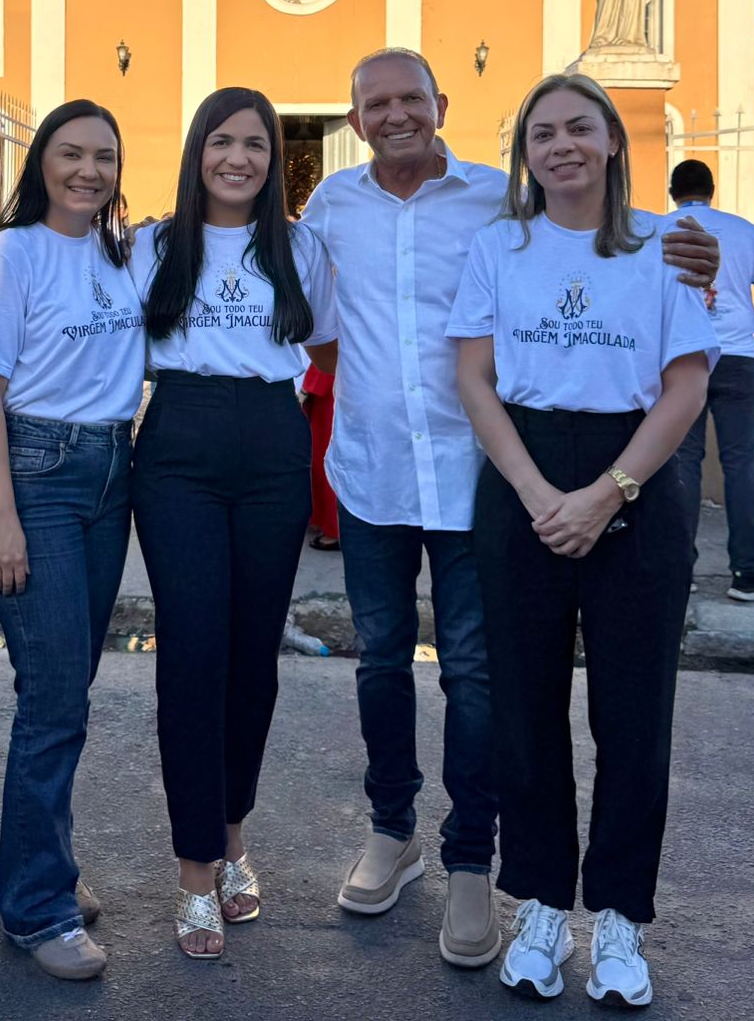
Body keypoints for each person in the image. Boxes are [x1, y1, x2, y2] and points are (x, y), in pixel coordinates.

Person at [298, 48, 718, 972]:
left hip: (478, 475)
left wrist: (700, 248)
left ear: (442, 104)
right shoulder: (331, 207)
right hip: (381, 472)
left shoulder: (498, 203)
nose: (397, 113)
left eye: (413, 97)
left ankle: (478, 865)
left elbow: (650, 314)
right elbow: (314, 322)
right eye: (377, 103)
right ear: (356, 116)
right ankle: (396, 832)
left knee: (490, 681)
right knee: (382, 662)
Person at [449, 73, 716, 1007]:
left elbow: (684, 386)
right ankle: (539, 907)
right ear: (526, 153)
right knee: (522, 708)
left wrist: (608, 493)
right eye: (542, 133)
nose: (560, 145)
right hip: (524, 468)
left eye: (578, 129)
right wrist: (535, 493)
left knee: (634, 715)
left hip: (634, 472)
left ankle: (619, 922)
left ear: (611, 142)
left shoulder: (666, 249)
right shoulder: (498, 246)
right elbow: (475, 380)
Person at [130, 87, 336, 959]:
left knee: (254, 654)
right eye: (222, 142)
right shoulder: (152, 245)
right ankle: (193, 871)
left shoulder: (302, 248)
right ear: (197, 151)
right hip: (177, 442)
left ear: (273, 156)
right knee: (193, 653)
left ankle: (234, 836)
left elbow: (324, 350)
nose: (238, 159)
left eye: (255, 143)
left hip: (271, 444)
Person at [0, 100, 144, 982]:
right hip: (37, 473)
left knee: (68, 686)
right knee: (55, 697)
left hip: (112, 470)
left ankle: (49, 870)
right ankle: (37, 908)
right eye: (70, 154)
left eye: (103, 157)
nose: (88, 170)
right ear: (42, 163)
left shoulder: (121, 253)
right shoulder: (10, 254)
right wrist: (0, 514)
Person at [659, 160, 754, 599]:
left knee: (682, 465)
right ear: (712, 189)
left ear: (673, 190)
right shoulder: (744, 230)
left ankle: (679, 567)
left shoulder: (659, 229)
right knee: (740, 466)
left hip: (682, 357)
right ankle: (747, 573)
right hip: (738, 359)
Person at [302, 364, 340, 549]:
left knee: (327, 458)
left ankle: (334, 529)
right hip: (332, 386)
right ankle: (328, 521)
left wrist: (306, 389)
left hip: (331, 389)